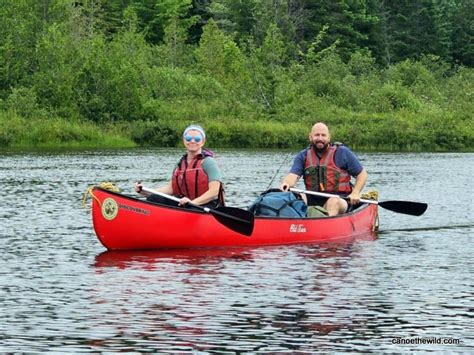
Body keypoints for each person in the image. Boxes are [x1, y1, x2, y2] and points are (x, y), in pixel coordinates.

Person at [280, 122, 367, 216]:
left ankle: (324, 225)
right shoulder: (303, 155)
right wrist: (286, 184)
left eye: (323, 135)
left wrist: (356, 192)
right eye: (317, 135)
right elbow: (293, 176)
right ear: (310, 137)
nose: (320, 138)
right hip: (313, 198)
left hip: (340, 198)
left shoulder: (342, 152)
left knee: (334, 202)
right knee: (294, 197)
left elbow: (362, 174)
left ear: (329, 138)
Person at [135, 124, 224, 208]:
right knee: (153, 199)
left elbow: (214, 191)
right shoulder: (179, 165)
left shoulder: (208, 162)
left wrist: (193, 203)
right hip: (185, 203)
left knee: (190, 209)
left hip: (206, 205)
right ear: (184, 140)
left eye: (197, 139)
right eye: (188, 138)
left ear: (203, 142)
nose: (192, 141)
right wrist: (144, 191)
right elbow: (170, 189)